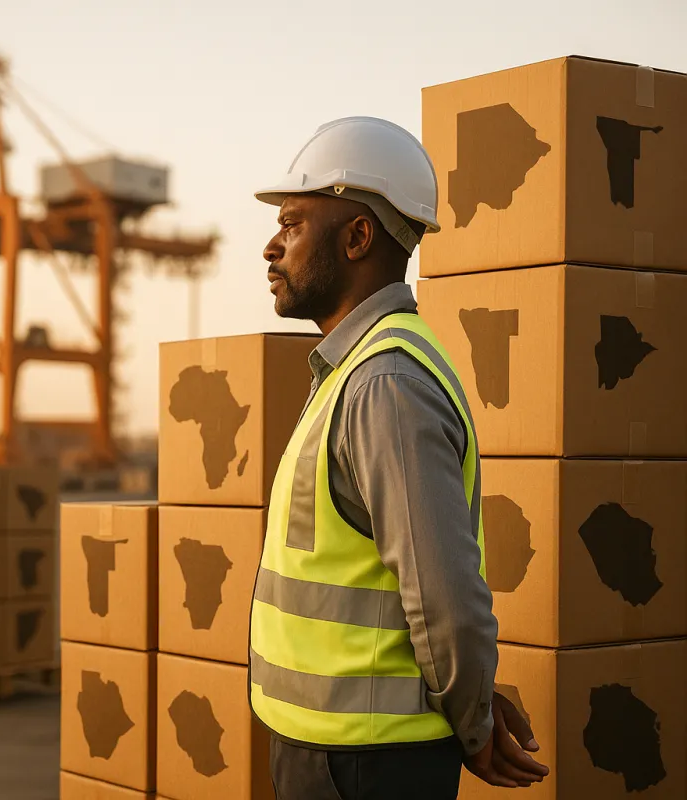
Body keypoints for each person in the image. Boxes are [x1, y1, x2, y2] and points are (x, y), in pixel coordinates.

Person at [248, 117, 550, 800]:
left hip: (363, 763)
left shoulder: (384, 384)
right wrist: (471, 702)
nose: (271, 246)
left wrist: (472, 721)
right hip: (342, 751)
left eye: (292, 224)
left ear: (357, 238)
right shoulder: (358, 370)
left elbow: (445, 597)